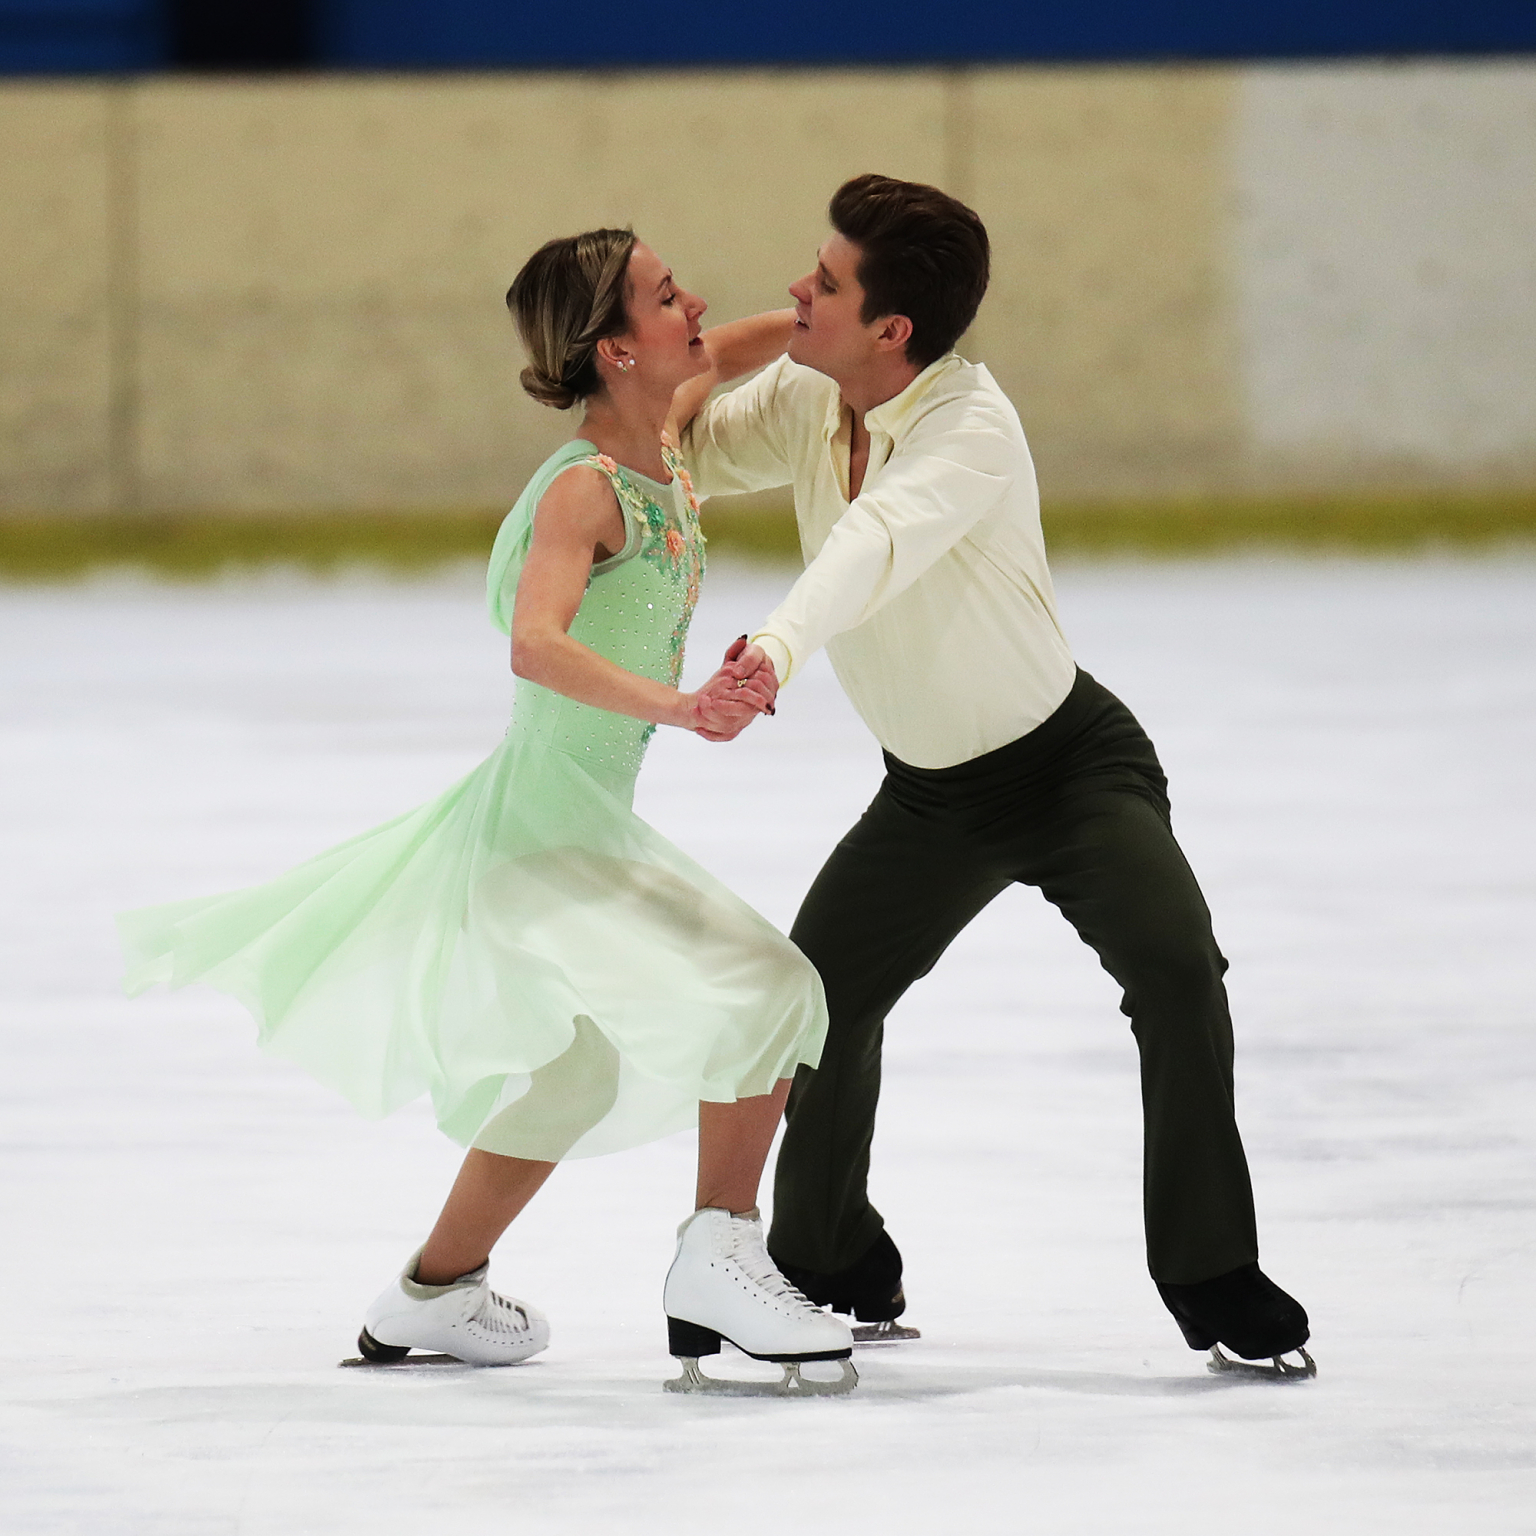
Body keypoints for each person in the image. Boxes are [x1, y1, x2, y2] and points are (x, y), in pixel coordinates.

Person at [119, 228, 857, 1392]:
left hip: (571, 822)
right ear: (615, 348)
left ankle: (428, 1295)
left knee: (571, 1073)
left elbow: (746, 340)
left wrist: (821, 329)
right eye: (668, 299)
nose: (696, 305)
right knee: (771, 988)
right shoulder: (584, 489)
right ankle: (718, 1255)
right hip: (546, 834)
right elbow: (535, 643)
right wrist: (677, 704)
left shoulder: (662, 430)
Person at [680, 174, 1315, 1376]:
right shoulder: (812, 394)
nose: (798, 289)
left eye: (823, 283)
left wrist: (771, 651)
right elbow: (690, 449)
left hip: (1072, 772)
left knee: (1179, 972)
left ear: (892, 331)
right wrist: (726, 352)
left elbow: (873, 546)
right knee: (820, 1003)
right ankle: (832, 1266)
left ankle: (1213, 1274)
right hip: (931, 797)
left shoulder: (969, 427)